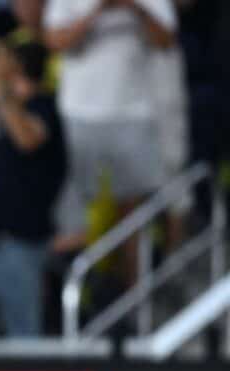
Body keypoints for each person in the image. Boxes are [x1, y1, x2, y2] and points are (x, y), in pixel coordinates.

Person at [43, 0, 176, 283]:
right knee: (77, 212)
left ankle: (135, 297)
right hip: (78, 113)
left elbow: (166, 41)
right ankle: (83, 296)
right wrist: (98, 10)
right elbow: (55, 41)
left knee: (133, 216)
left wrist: (135, 9)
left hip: (133, 111)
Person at [0, 45, 66, 337]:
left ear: (16, 67)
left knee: (23, 333)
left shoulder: (43, 105)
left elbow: (27, 139)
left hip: (22, 240)